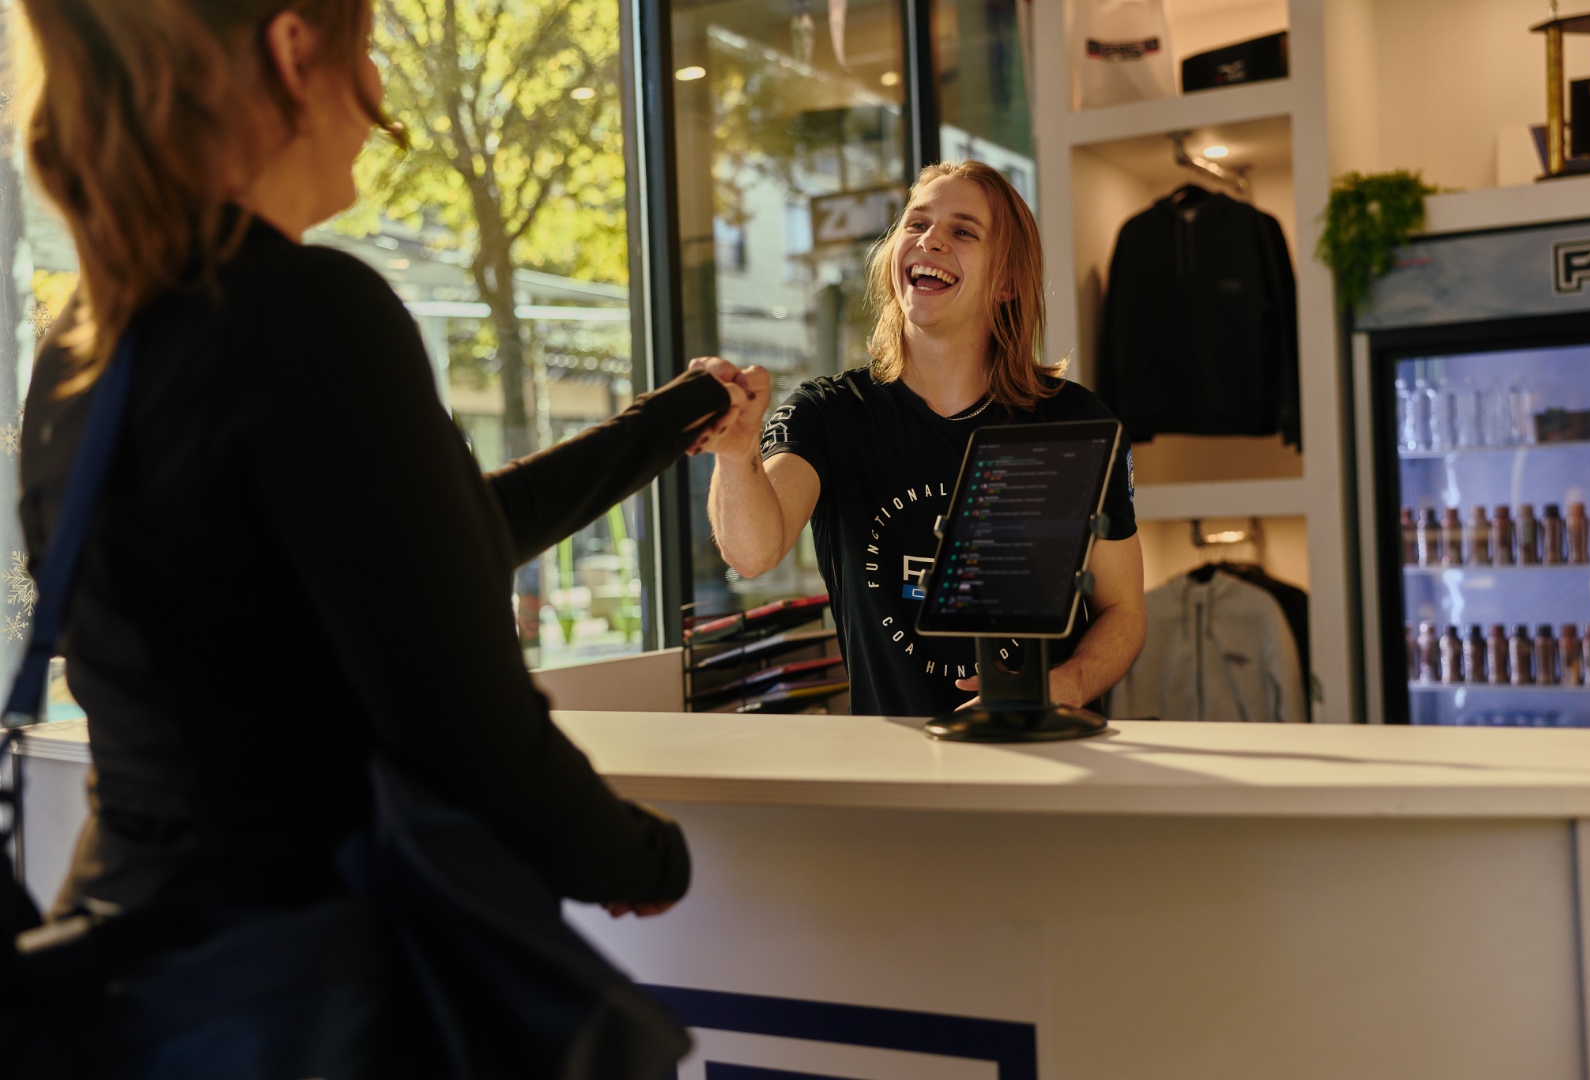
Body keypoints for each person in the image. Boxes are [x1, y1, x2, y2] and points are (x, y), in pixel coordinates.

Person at [18, 0, 743, 968]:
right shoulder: (312, 317)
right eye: (367, 50)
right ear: (293, 51)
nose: (379, 101)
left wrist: (672, 415)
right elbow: (472, 734)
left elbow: (444, 538)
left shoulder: (83, 352)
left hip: (131, 975)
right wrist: (645, 860)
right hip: (295, 987)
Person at [701, 161, 1146, 717]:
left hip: (1048, 763)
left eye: (962, 231)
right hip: (896, 773)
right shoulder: (828, 414)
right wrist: (735, 453)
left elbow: (1123, 609)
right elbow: (751, 552)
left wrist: (1068, 685)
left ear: (1007, 281)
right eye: (916, 225)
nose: (930, 239)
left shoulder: (1077, 420)